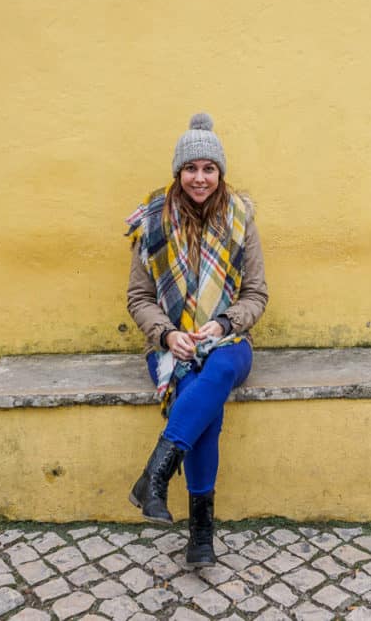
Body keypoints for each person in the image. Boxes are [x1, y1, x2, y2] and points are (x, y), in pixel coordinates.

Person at [124, 112, 268, 568]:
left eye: (209, 169)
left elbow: (257, 294)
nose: (200, 178)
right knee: (199, 398)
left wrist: (225, 324)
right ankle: (201, 535)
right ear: (178, 172)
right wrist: (166, 335)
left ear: (220, 173)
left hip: (228, 342)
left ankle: (155, 473)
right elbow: (139, 297)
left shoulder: (241, 218)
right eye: (191, 169)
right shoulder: (151, 221)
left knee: (220, 369)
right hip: (171, 348)